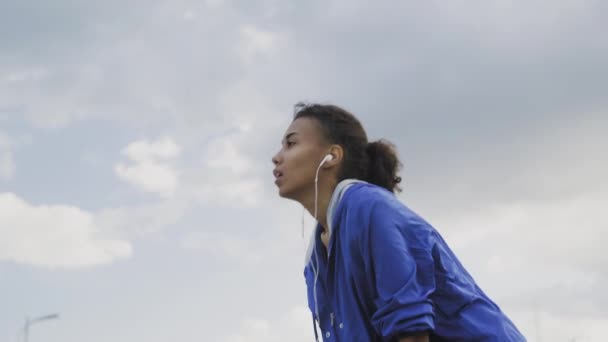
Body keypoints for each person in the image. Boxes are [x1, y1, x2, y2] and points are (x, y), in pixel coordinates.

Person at [271, 103, 526, 342]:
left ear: (332, 156)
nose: (276, 156)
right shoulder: (317, 257)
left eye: (291, 143)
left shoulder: (369, 208)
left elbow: (411, 331)